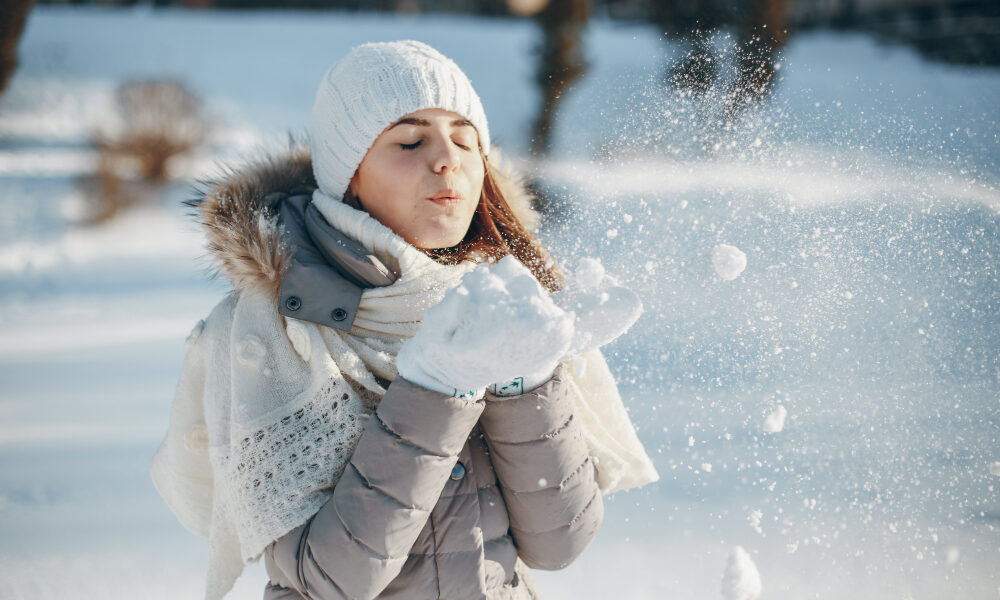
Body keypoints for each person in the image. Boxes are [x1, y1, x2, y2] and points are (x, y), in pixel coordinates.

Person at [150, 40, 658, 600]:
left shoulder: (507, 304)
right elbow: (332, 578)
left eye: (466, 140)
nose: (447, 160)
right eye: (410, 140)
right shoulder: (269, 334)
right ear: (349, 177)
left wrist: (526, 375)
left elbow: (558, 543)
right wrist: (436, 386)